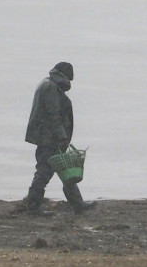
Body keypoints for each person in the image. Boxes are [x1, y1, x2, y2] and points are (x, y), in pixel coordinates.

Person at [24, 62, 96, 215]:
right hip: (49, 139)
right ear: (64, 76)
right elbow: (54, 115)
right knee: (44, 172)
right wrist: (62, 136)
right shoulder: (50, 88)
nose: (69, 84)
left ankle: (78, 204)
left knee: (66, 170)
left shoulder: (48, 83)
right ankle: (33, 207)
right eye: (69, 80)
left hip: (48, 136)